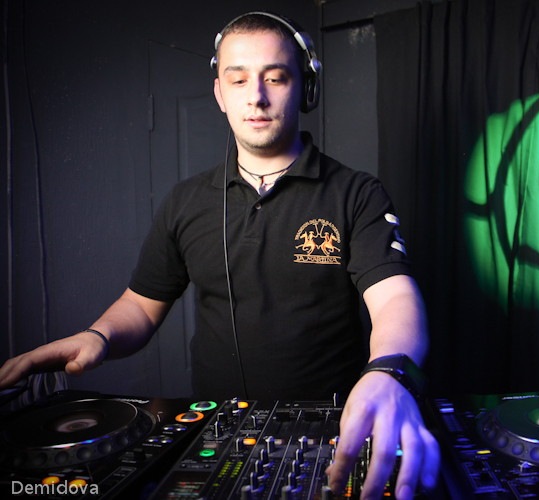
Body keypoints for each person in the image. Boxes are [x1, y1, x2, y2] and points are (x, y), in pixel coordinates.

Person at [0, 11, 440, 499]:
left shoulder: (356, 193)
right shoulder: (185, 201)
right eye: (239, 79)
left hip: (332, 429)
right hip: (215, 435)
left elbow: (394, 297)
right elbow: (141, 305)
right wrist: (97, 335)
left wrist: (389, 371)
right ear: (220, 93)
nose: (257, 96)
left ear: (305, 89)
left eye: (276, 77)